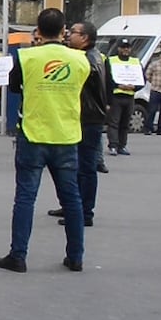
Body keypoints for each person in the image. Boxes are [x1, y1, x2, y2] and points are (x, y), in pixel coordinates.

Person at [0, 8, 90, 274]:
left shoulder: (26, 57)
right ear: (64, 30)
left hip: (34, 134)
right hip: (67, 135)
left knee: (25, 197)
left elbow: (14, 88)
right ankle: (76, 256)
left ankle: (18, 255)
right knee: (72, 199)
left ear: (37, 30)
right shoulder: (81, 60)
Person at [46, 21, 107, 228]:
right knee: (74, 165)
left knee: (85, 166)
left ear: (85, 38)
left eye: (74, 32)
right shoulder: (93, 56)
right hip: (85, 117)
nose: (69, 35)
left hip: (87, 119)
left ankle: (85, 212)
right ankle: (73, 205)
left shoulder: (87, 59)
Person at [105, 38, 143, 156]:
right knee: (114, 122)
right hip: (116, 96)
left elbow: (142, 80)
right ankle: (113, 146)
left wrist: (134, 87)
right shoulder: (111, 60)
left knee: (125, 123)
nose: (126, 50)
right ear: (118, 48)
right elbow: (107, 79)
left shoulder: (135, 62)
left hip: (129, 97)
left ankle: (122, 145)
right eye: (123, 47)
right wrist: (118, 85)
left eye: (128, 47)